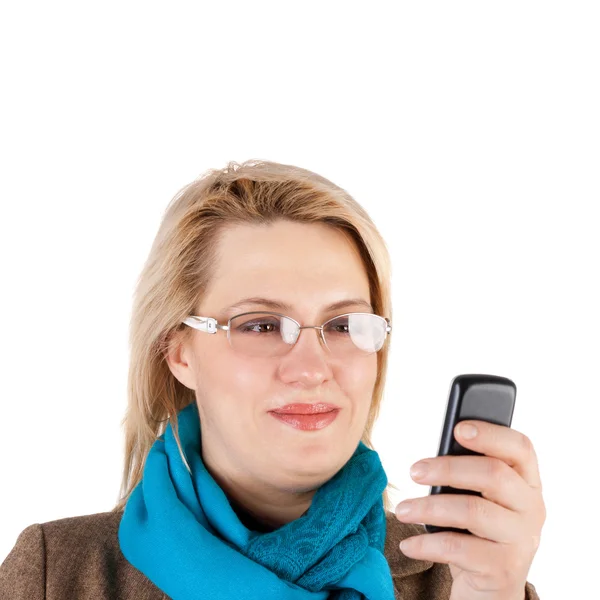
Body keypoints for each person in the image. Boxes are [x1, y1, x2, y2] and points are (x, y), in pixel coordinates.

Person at [0, 160, 543, 599]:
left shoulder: (459, 576)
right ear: (179, 351)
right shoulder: (56, 577)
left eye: (343, 324)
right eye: (260, 325)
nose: (311, 367)